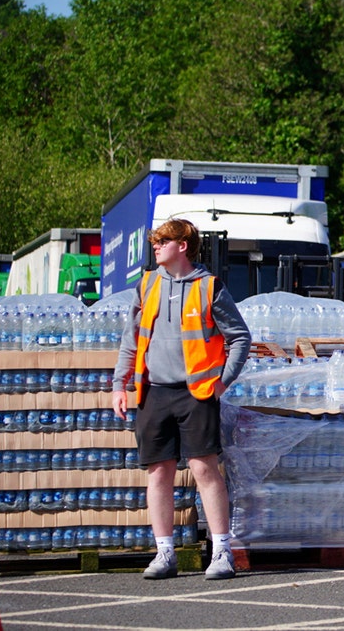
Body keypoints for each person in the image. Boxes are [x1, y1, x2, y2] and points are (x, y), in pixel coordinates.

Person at [112, 219, 252, 580]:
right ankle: (164, 554)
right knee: (158, 472)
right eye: (155, 242)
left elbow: (240, 338)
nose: (155, 247)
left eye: (163, 241)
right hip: (153, 392)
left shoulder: (209, 288)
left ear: (183, 246)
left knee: (204, 469)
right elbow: (132, 339)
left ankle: (222, 552)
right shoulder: (147, 285)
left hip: (196, 393)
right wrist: (119, 384)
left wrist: (222, 382)